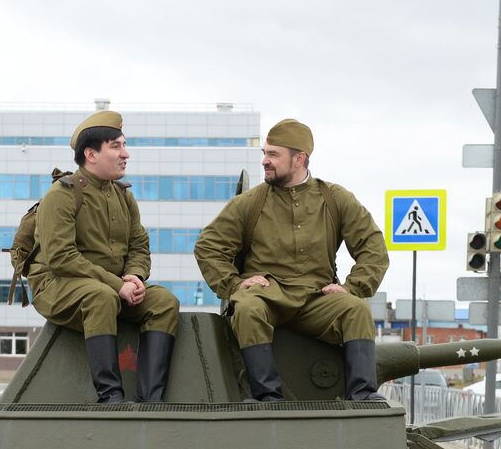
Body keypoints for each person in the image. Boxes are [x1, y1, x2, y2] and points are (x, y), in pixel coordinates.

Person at [194, 119, 389, 401]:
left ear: (299, 159)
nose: (265, 161)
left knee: (356, 309)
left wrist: (352, 287)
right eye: (264, 153)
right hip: (267, 297)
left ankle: (362, 395)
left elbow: (373, 246)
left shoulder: (334, 199)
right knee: (247, 308)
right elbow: (208, 245)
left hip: (317, 297)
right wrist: (234, 284)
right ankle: (267, 396)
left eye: (273, 154)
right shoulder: (251, 202)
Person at [29, 110, 180, 404]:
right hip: (57, 286)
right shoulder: (62, 195)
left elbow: (139, 244)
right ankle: (110, 396)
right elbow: (61, 258)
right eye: (116, 146)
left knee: (163, 302)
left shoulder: (123, 195)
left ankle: (151, 400)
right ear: (91, 154)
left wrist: (134, 276)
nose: (126, 154)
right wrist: (117, 285)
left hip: (111, 287)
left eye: (124, 145)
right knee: (101, 297)